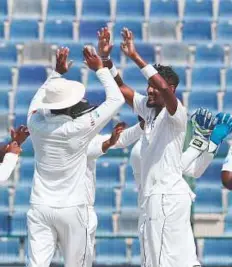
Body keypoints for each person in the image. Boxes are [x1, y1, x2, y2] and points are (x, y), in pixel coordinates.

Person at [96, 27, 226, 267]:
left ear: (171, 90)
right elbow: (122, 89)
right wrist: (106, 60)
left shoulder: (175, 115)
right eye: (149, 86)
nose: (149, 90)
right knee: (160, 260)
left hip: (167, 196)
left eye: (154, 86)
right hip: (154, 197)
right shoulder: (149, 109)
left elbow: (163, 89)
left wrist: (135, 57)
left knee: (167, 262)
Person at [26, 46, 125, 267]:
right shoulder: (79, 127)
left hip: (40, 206)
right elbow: (116, 100)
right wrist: (100, 69)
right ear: (71, 105)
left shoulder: (35, 124)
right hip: (72, 208)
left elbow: (34, 103)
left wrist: (56, 74)